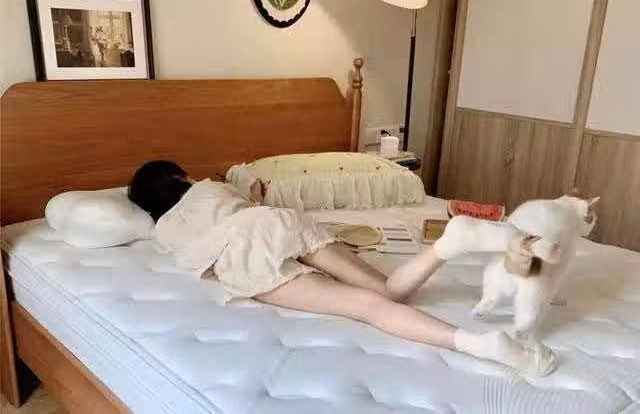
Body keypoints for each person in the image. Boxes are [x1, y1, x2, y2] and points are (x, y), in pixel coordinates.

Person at [128, 160, 557, 376]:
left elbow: (199, 251)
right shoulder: (211, 188)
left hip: (243, 254)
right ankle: (449, 243)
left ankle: (479, 345)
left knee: (367, 307)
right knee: (388, 289)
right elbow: (245, 198)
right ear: (182, 178)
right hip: (274, 221)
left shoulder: (163, 231)